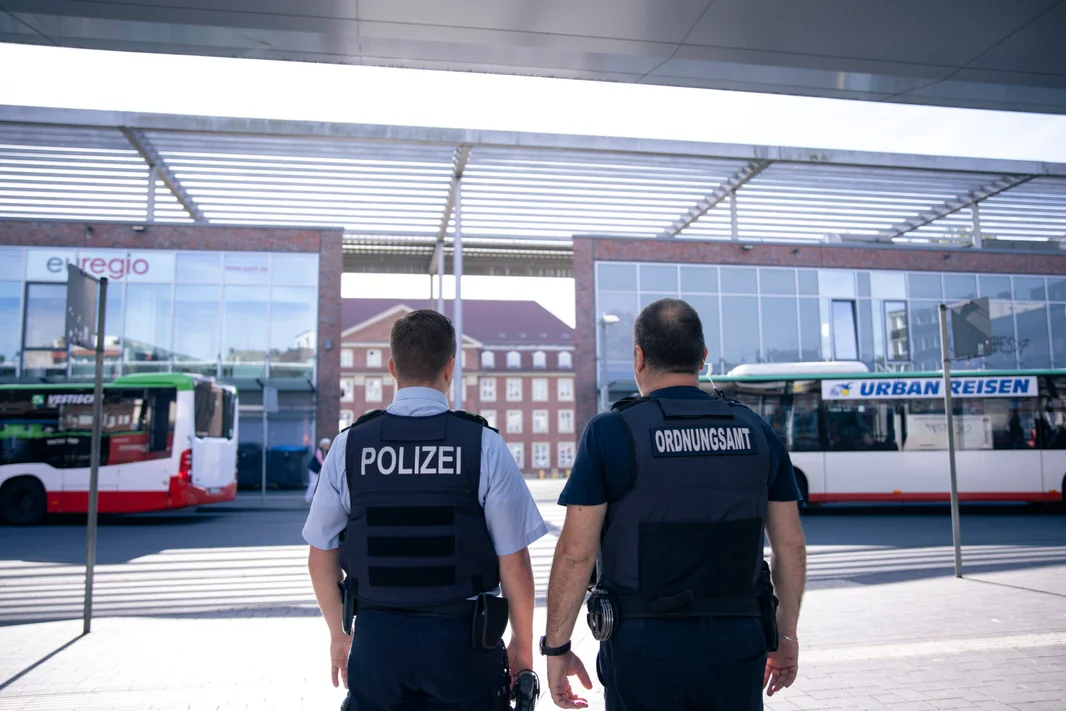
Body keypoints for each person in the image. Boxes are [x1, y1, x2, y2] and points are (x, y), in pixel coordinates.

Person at [542, 298, 808, 711]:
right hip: (737, 642)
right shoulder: (757, 431)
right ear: (703, 358)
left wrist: (557, 649)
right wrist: (785, 636)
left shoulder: (611, 433)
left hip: (643, 647)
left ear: (639, 357)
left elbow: (577, 554)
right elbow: (790, 545)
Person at [303, 309, 548, 711]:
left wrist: (339, 633)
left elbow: (320, 557)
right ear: (450, 368)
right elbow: (515, 563)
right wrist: (522, 644)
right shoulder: (482, 445)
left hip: (378, 642)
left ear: (391, 367)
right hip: (463, 645)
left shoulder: (349, 446)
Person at [305, 437, 331, 504]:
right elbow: (320, 461)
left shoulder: (326, 451)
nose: (328, 446)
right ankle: (308, 497)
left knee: (318, 484)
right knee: (313, 484)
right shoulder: (319, 450)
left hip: (318, 470)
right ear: (323, 445)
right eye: (327, 444)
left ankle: (315, 498)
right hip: (314, 469)